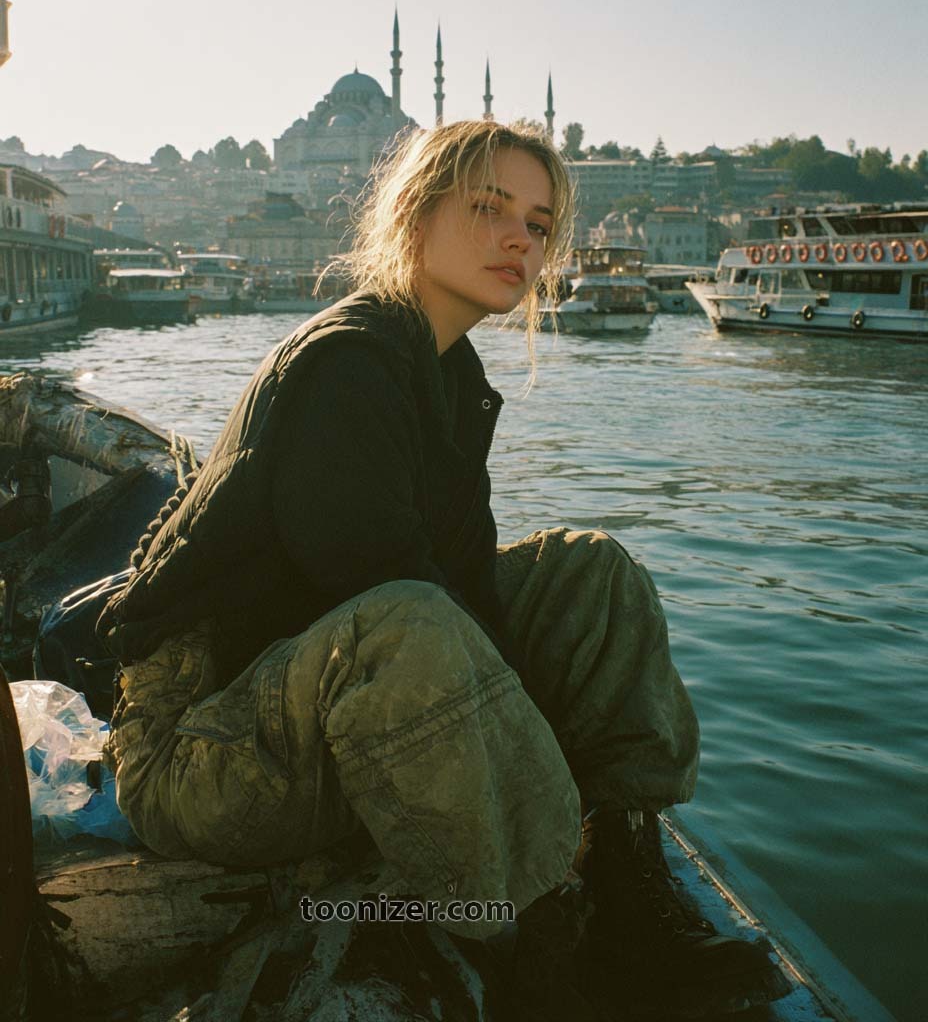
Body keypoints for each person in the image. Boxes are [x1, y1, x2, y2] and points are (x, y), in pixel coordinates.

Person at [98, 120, 787, 1020]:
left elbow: (469, 596)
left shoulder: (448, 377)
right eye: (491, 209)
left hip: (329, 716)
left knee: (592, 572)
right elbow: (396, 606)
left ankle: (624, 873)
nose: (520, 241)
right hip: (205, 751)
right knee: (412, 620)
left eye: (538, 226)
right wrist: (536, 765)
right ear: (416, 218)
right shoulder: (348, 365)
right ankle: (542, 932)